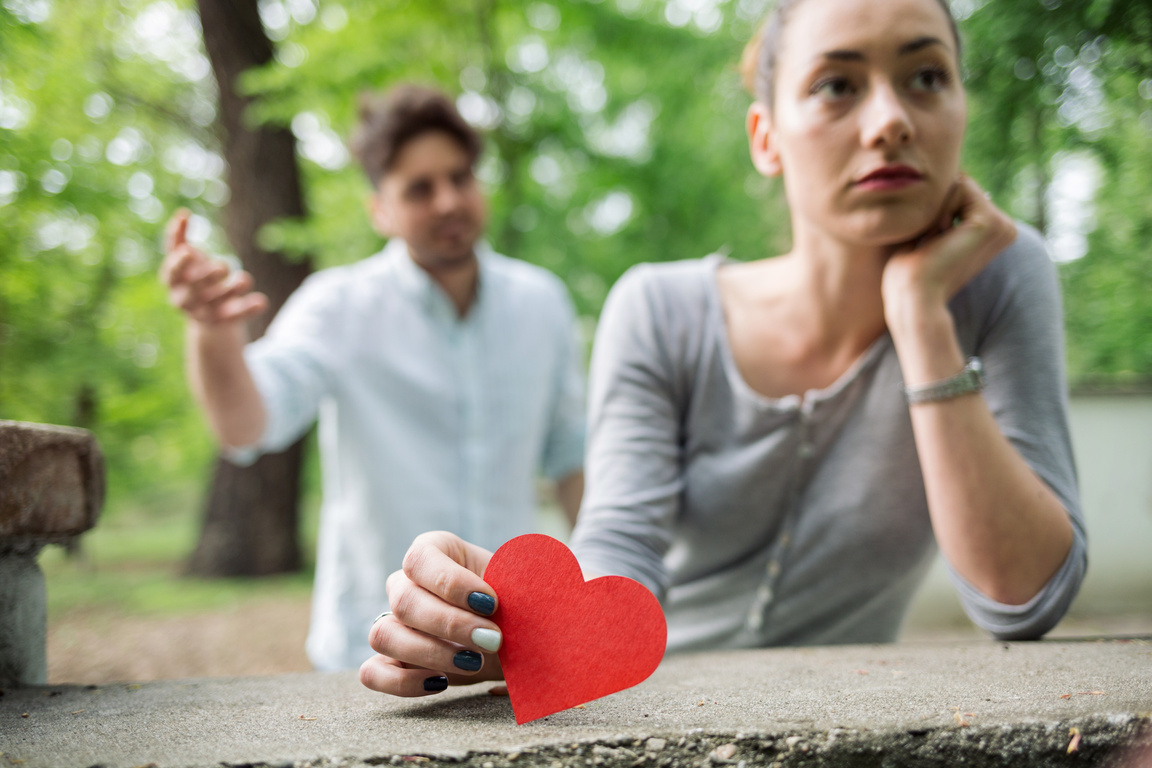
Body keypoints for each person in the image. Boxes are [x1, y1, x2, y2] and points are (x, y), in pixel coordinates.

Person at [358, 0, 1087, 697]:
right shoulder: (660, 311)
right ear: (765, 137)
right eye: (837, 85)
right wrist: (514, 630)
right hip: (644, 707)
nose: (891, 121)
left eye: (926, 77)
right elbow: (621, 547)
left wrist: (923, 318)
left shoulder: (999, 278)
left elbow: (1022, 600)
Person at [160, 85, 587, 672]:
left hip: (511, 643)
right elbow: (245, 425)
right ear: (379, 209)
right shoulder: (337, 306)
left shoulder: (543, 304)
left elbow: (572, 460)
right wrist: (211, 331)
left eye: (460, 177)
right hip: (372, 648)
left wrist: (597, 603)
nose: (447, 201)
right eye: (419, 188)